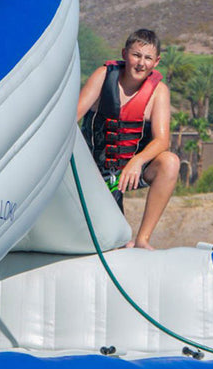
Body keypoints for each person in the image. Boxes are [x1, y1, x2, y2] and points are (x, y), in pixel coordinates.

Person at [76, 29, 180, 249]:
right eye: (136, 55)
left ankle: (143, 239)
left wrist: (137, 161)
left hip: (129, 172)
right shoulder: (103, 76)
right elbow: (71, 118)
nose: (141, 63)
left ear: (156, 62)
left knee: (170, 162)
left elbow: (162, 141)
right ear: (124, 54)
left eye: (148, 58)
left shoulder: (159, 92)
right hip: (93, 170)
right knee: (115, 239)